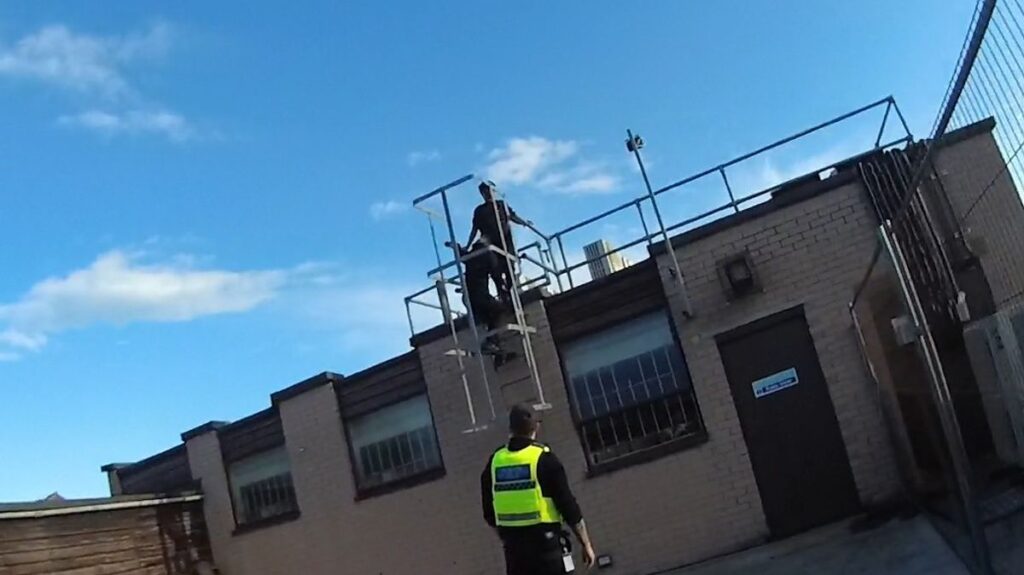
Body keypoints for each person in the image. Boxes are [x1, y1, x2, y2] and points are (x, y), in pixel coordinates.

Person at [481, 405, 596, 574]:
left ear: (511, 428)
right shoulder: (545, 459)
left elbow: (489, 514)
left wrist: (509, 536)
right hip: (547, 549)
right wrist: (586, 544)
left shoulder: (495, 462)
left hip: (515, 554)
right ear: (536, 427)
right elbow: (568, 506)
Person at [465, 180, 532, 305]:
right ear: (482, 194)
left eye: (489, 191)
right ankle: (502, 294)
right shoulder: (479, 210)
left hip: (505, 241)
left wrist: (524, 223)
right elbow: (474, 229)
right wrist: (468, 245)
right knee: (495, 270)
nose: (488, 194)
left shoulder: (501, 205)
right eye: (485, 192)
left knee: (509, 267)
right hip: (490, 243)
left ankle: (510, 292)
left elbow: (512, 216)